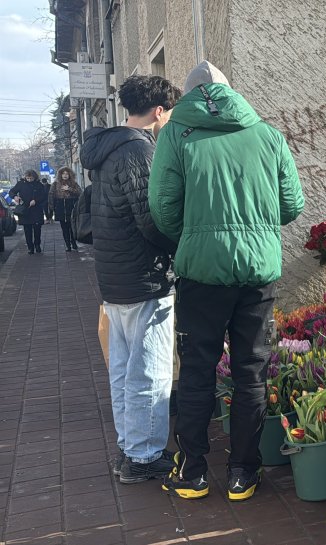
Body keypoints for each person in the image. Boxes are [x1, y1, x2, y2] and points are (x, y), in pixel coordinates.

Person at [149, 61, 304, 502]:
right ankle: (243, 473)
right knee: (251, 371)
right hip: (257, 271)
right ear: (232, 94)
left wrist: (196, 235)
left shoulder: (175, 136)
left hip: (201, 273)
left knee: (197, 371)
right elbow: (291, 205)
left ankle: (193, 472)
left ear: (187, 96)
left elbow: (163, 208)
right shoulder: (268, 135)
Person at [80, 75, 181, 484]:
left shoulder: (106, 149)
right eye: (169, 112)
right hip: (143, 277)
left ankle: (130, 447)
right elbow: (152, 220)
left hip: (115, 276)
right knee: (150, 370)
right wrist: (180, 249)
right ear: (158, 111)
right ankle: (143, 457)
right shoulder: (139, 150)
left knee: (123, 370)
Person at [8, 170, 48, 254]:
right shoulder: (21, 184)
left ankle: (37, 244)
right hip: (25, 210)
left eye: (31, 178)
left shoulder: (39, 185)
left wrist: (36, 201)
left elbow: (44, 196)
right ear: (25, 177)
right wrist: (15, 197)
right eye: (28, 178)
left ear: (35, 177)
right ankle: (30, 247)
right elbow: (11, 191)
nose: (29, 180)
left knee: (37, 229)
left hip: (36, 210)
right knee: (27, 229)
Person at [49, 167, 82, 251]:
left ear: (70, 174)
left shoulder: (73, 183)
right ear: (60, 175)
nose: (65, 175)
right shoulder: (55, 184)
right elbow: (51, 195)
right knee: (64, 228)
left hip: (71, 207)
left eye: (67, 173)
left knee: (72, 227)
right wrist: (52, 208)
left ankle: (73, 242)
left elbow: (80, 193)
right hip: (60, 208)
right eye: (63, 173)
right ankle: (67, 245)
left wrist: (69, 189)